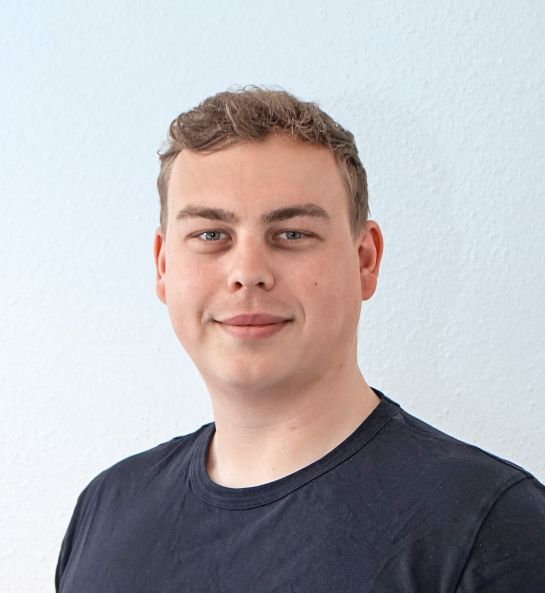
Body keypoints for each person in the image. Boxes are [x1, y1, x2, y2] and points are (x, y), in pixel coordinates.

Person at [55, 87, 545, 592]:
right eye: (211, 235)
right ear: (163, 266)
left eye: (291, 234)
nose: (248, 272)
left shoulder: (488, 528)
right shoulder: (106, 509)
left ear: (365, 260)